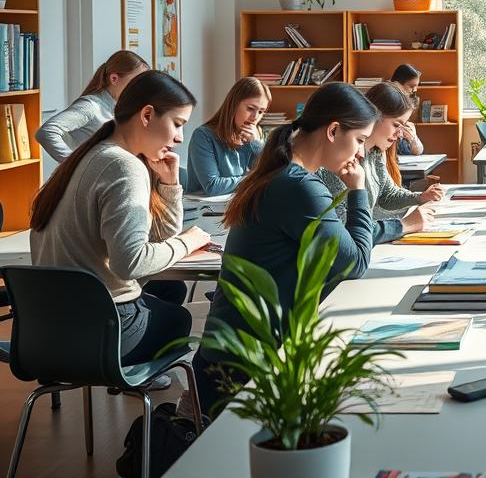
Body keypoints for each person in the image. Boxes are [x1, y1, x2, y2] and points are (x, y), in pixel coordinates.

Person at [194, 83, 380, 415]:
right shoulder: (298, 186)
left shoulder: (286, 175)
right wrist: (358, 191)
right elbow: (355, 261)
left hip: (231, 355)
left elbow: (343, 246)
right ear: (334, 130)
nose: (361, 153)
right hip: (241, 367)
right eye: (361, 141)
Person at [29, 71, 212, 373]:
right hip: (102, 329)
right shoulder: (123, 167)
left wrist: (168, 185)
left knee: (170, 291)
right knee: (187, 319)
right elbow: (131, 263)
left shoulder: (90, 154)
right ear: (148, 114)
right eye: (177, 124)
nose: (180, 137)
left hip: (51, 329)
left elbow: (158, 240)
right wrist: (188, 242)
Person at [319, 82, 442, 243]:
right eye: (396, 125)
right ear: (375, 116)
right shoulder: (338, 160)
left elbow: (387, 194)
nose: (400, 134)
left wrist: (420, 198)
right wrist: (404, 225)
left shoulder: (375, 153)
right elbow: (344, 229)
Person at [35, 50, 149, 162]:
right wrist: (74, 165)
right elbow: (47, 132)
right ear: (114, 79)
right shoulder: (90, 106)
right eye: (135, 82)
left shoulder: (123, 109)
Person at [185, 76, 270, 195]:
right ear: (233, 105)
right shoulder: (203, 136)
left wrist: (257, 145)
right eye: (251, 108)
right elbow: (213, 186)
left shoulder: (256, 136)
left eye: (261, 112)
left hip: (238, 205)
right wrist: (253, 179)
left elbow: (270, 176)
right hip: (204, 210)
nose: (255, 117)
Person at [390, 64, 425, 156]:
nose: (415, 90)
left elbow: (418, 151)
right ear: (397, 84)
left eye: (416, 86)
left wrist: (413, 139)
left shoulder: (410, 104)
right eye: (411, 86)